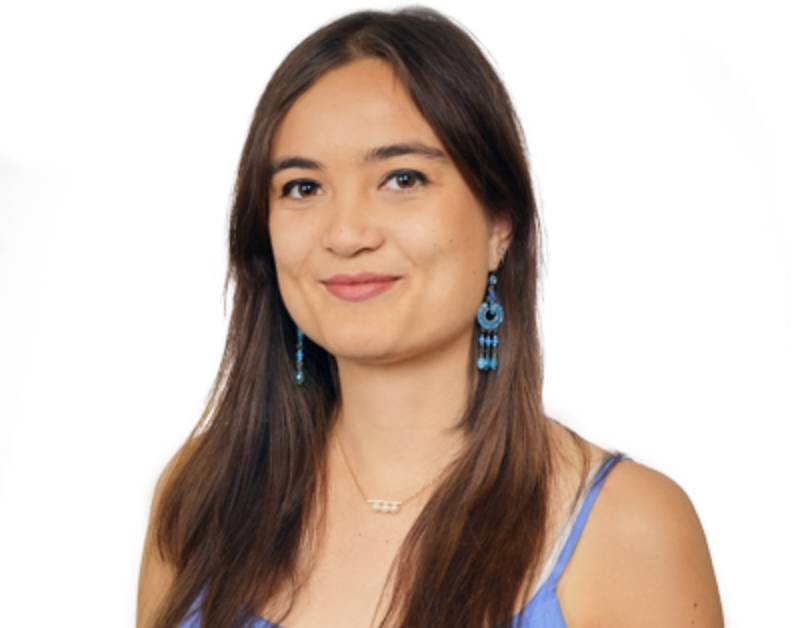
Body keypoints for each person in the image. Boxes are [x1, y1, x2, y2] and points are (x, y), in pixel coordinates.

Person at [136, 7, 723, 627]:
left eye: (403, 178)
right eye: (303, 187)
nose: (346, 233)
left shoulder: (627, 528)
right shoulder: (203, 496)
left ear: (501, 223)